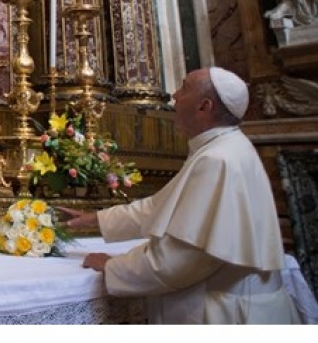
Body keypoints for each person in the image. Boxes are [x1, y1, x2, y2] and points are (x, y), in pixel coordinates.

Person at [59, 67, 302, 324]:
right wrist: (96, 219)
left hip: (225, 315)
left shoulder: (217, 159)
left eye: (184, 88)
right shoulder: (224, 147)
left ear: (204, 107)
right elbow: (160, 207)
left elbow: (181, 260)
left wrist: (111, 266)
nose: (174, 95)